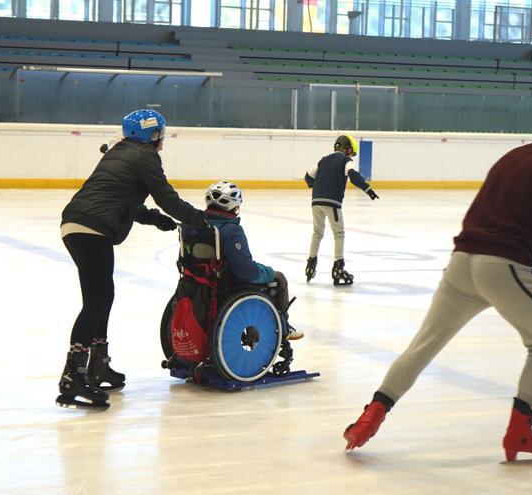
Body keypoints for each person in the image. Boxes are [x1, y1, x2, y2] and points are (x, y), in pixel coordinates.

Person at [342, 97, 532, 463]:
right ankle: (520, 431)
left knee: (424, 345)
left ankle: (370, 417)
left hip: (461, 264)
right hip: (503, 265)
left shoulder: (512, 156)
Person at [57, 108, 209, 410]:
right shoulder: (145, 155)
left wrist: (154, 219)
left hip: (78, 224)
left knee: (103, 296)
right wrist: (201, 220)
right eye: (160, 134)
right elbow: (167, 197)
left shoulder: (119, 153)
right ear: (151, 135)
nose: (162, 140)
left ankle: (98, 364)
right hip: (91, 229)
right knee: (96, 301)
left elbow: (121, 199)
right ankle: (72, 376)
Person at [196, 181, 302, 340]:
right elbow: (245, 271)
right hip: (226, 284)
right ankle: (282, 329)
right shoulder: (231, 230)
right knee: (279, 279)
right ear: (233, 207)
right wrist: (266, 271)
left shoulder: (194, 225)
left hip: (199, 281)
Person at [303, 135, 379, 286]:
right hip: (332, 202)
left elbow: (308, 177)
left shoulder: (323, 160)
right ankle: (338, 267)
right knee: (339, 233)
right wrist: (368, 189)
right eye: (351, 152)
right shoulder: (345, 161)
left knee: (317, 232)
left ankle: (310, 265)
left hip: (316, 201)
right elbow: (354, 176)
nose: (351, 155)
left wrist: (316, 185)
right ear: (347, 149)